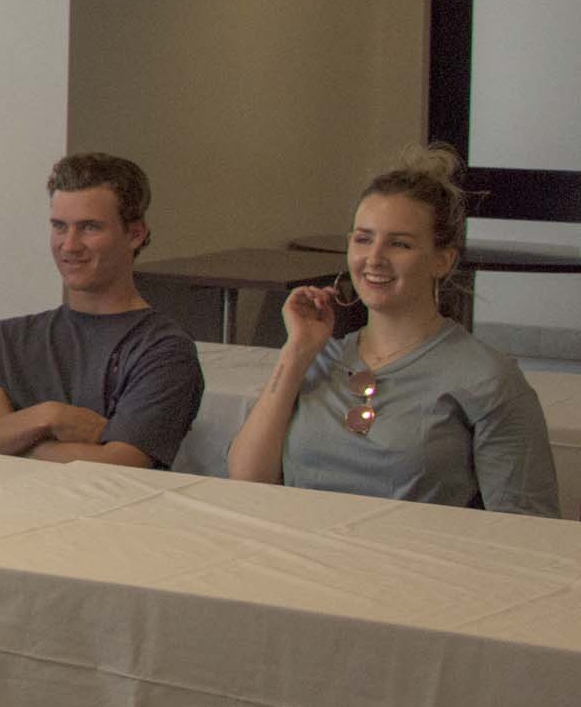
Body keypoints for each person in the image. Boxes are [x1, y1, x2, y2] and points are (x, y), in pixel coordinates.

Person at [227, 148, 559, 516]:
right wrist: (296, 353)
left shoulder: (489, 379)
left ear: (442, 260)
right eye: (363, 239)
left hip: (420, 567)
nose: (374, 258)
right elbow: (246, 479)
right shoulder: (317, 357)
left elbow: (525, 528)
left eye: (399, 243)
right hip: (299, 558)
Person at [0, 153, 205, 467]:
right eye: (60, 227)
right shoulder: (4, 338)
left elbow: (122, 464)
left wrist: (3, 432)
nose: (69, 245)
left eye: (89, 228)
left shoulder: (163, 350)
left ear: (135, 234)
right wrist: (45, 418)